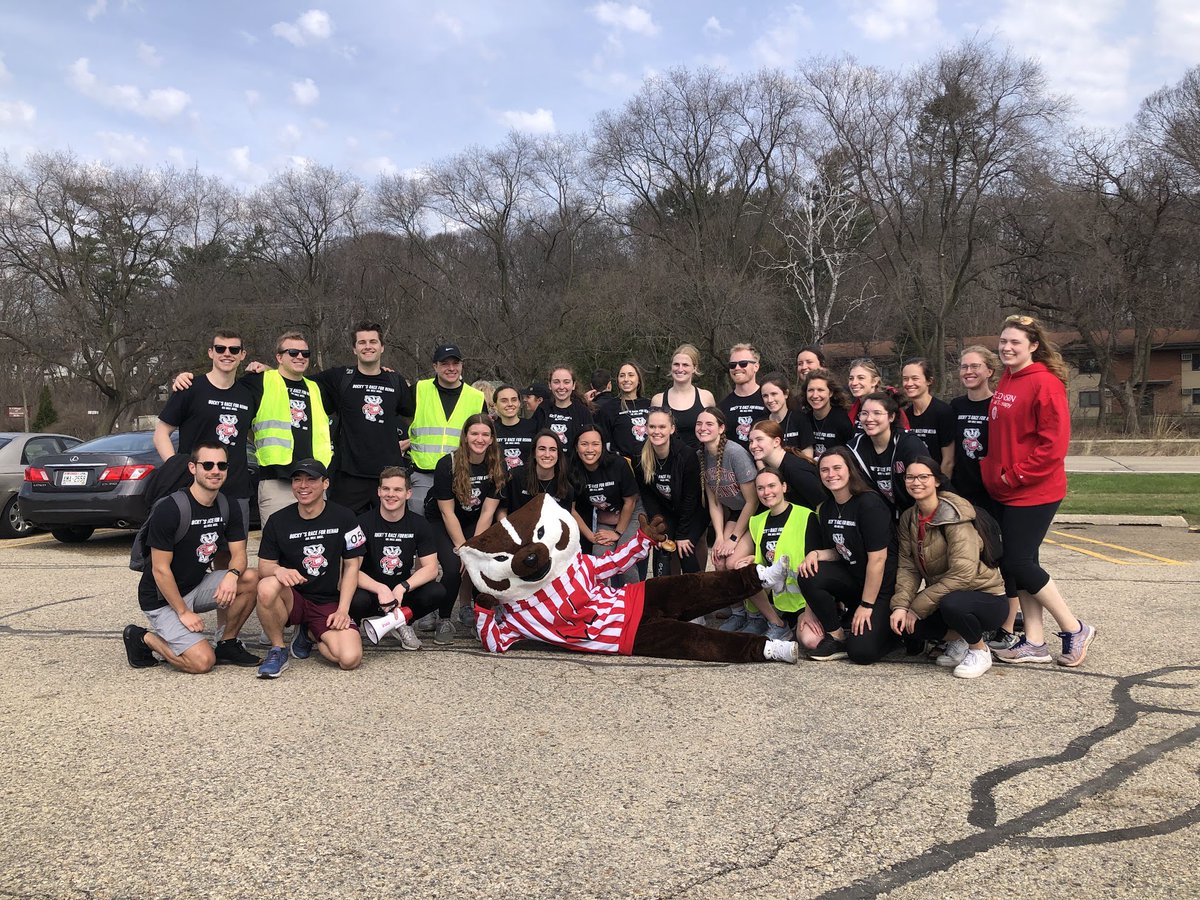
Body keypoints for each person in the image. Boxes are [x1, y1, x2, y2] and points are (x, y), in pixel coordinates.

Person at [983, 314, 1096, 667]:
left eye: (1015, 342)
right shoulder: (1007, 378)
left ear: (1033, 346)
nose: (1007, 347)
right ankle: (1034, 641)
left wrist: (1013, 476)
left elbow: (1053, 446)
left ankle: (1074, 627)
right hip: (1007, 488)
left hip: (1035, 489)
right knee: (1021, 565)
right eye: (1003, 341)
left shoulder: (1044, 384)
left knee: (1017, 561)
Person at [123, 443, 261, 673]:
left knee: (250, 578)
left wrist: (232, 575)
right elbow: (160, 570)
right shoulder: (171, 509)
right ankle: (143, 638)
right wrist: (184, 612)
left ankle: (227, 643)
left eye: (221, 465)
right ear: (192, 468)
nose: (215, 470)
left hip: (196, 586)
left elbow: (239, 554)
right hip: (162, 598)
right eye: (207, 465)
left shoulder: (228, 506)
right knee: (202, 662)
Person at [176, 329, 332, 528]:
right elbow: (221, 386)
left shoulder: (317, 388)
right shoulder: (258, 382)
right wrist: (184, 378)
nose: (300, 357)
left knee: (316, 545)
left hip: (315, 481)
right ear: (279, 357)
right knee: (280, 547)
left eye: (305, 353)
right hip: (276, 482)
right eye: (292, 353)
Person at [888, 457, 1008, 679]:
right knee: (907, 625)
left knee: (952, 603)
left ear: (936, 481)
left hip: (986, 598)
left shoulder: (954, 515)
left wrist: (917, 607)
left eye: (924, 477)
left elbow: (963, 574)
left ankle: (979, 650)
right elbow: (908, 568)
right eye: (910, 477)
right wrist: (901, 607)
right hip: (947, 594)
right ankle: (962, 640)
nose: (916, 482)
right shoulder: (909, 518)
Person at [254, 458, 367, 678]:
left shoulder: (345, 516)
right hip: (292, 597)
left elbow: (352, 566)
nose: (303, 486)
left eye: (311, 480)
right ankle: (278, 649)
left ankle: (311, 633)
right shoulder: (278, 520)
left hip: (326, 601)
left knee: (349, 659)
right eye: (297, 480)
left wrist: (343, 610)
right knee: (267, 586)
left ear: (325, 483)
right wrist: (279, 571)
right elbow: (264, 566)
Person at [796, 447, 898, 664]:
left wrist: (867, 605)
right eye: (824, 470)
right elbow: (841, 550)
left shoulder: (869, 504)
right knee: (808, 573)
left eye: (836, 468)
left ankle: (896, 634)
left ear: (850, 470)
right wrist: (816, 554)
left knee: (861, 652)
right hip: (853, 580)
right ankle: (836, 636)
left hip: (880, 589)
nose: (831, 474)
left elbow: (878, 559)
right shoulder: (827, 508)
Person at [154, 329, 256, 528]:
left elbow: (284, 373)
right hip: (195, 489)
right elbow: (161, 434)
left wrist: (265, 367)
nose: (227, 353)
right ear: (211, 352)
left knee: (234, 555)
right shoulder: (189, 387)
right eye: (221, 348)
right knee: (191, 554)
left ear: (242, 355)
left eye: (234, 349)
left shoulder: (248, 393)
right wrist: (179, 467)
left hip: (236, 490)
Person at [312, 322, 415, 514]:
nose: (368, 346)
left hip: (388, 477)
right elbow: (299, 381)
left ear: (382, 347)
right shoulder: (340, 377)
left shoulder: (395, 381)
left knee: (389, 534)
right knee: (343, 533)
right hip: (349, 476)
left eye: (373, 341)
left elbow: (410, 412)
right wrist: (268, 370)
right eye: (362, 342)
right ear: (354, 348)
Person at [425, 413, 506, 643]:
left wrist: (474, 548)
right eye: (474, 433)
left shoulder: (497, 465)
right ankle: (443, 618)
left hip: (474, 519)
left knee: (481, 563)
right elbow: (446, 512)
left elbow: (488, 512)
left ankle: (482, 616)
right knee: (453, 568)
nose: (479, 439)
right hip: (442, 520)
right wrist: (462, 548)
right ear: (465, 436)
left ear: (492, 439)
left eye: (485, 434)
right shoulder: (447, 463)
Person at [349, 467, 445, 651]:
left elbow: (431, 568)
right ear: (378, 491)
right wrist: (380, 588)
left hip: (401, 594)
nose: (390, 494)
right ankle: (355, 627)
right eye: (386, 489)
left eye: (397, 490)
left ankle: (402, 622)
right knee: (355, 599)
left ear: (408, 493)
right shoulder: (362, 523)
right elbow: (351, 569)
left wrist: (403, 587)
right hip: (370, 592)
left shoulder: (419, 524)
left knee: (437, 591)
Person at [728, 467, 814, 641]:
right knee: (744, 569)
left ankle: (798, 620)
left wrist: (811, 610)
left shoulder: (806, 516)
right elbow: (765, 556)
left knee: (810, 641)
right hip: (773, 593)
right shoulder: (757, 521)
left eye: (771, 486)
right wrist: (753, 559)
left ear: (784, 487)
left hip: (801, 598)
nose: (766, 492)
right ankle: (776, 623)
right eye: (760, 488)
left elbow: (816, 566)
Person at [697, 406, 760, 625]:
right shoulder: (702, 455)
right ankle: (737, 612)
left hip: (755, 515)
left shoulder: (735, 453)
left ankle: (755, 614)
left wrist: (733, 539)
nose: (703, 428)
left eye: (709, 424)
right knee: (719, 560)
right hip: (734, 512)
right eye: (699, 423)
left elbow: (752, 501)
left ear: (721, 428)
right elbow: (714, 503)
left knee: (733, 562)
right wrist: (720, 538)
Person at [408, 343, 486, 515]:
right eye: (445, 364)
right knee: (420, 524)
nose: (451, 368)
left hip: (461, 474)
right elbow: (394, 415)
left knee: (456, 525)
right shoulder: (419, 390)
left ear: (461, 365)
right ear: (435, 366)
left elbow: (486, 437)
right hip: (424, 475)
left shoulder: (477, 397)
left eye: (455, 363)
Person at [634, 408, 705, 577]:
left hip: (694, 512)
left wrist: (681, 534)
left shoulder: (686, 455)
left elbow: (691, 498)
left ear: (672, 429)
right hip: (667, 511)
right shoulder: (640, 457)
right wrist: (657, 527)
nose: (656, 431)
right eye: (652, 427)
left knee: (684, 550)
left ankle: (697, 597)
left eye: (662, 427)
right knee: (661, 548)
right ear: (646, 428)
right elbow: (648, 496)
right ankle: (664, 596)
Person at [571, 426, 640, 584]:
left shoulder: (617, 464)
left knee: (624, 557)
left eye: (595, 444)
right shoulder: (572, 470)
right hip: (606, 517)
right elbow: (571, 509)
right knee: (599, 560)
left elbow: (630, 501)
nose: (590, 449)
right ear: (576, 447)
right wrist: (591, 536)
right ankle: (603, 602)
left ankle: (636, 602)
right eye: (584, 444)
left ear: (603, 446)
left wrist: (617, 532)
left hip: (631, 513)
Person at [846, 391, 929, 517]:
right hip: (881, 516)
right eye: (864, 413)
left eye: (877, 413)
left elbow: (928, 482)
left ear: (891, 417)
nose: (869, 419)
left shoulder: (908, 443)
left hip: (916, 513)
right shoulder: (854, 448)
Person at [650, 343, 716, 452]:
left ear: (694, 368)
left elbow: (715, 432)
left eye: (685, 365)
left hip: (701, 461)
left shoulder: (706, 397)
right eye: (676, 364)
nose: (680, 369)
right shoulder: (658, 400)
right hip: (669, 462)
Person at [747, 420, 824, 510]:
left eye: (759, 439)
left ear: (776, 442)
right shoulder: (774, 466)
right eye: (751, 441)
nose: (753, 446)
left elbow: (821, 503)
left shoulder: (794, 468)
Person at [900, 358, 955, 477]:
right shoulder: (905, 416)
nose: (909, 384)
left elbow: (948, 461)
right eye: (905, 379)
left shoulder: (943, 412)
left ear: (929, 381)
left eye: (915, 378)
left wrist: (940, 489)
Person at [505, 430, 576, 514]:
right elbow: (502, 510)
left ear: (558, 455)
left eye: (552, 450)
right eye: (542, 449)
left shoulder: (566, 488)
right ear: (534, 453)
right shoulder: (515, 477)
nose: (547, 454)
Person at [533, 365, 595, 454]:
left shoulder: (582, 411)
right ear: (550, 385)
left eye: (566, 382)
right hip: (548, 464)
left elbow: (590, 441)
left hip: (574, 466)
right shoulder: (542, 409)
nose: (561, 387)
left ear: (573, 385)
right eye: (556, 382)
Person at [596, 361, 651, 460]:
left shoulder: (649, 404)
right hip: (623, 465)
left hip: (649, 462)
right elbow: (604, 442)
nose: (626, 379)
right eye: (622, 376)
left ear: (638, 379)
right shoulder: (608, 408)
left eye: (631, 375)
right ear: (617, 380)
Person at [718, 343, 768, 452]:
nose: (737, 368)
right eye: (732, 365)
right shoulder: (723, 406)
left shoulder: (768, 399)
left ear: (756, 366)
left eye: (743, 364)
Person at [803, 369, 855, 458]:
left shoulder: (842, 421)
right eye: (811, 390)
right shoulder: (804, 419)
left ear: (830, 393)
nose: (815, 395)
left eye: (820, 390)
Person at [846, 358, 910, 431]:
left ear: (874, 381)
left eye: (861, 378)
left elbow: (903, 436)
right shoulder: (852, 410)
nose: (854, 383)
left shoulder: (890, 406)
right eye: (851, 378)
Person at [760, 372, 814, 455]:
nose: (770, 400)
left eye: (774, 394)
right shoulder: (760, 424)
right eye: (765, 396)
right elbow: (758, 457)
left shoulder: (800, 420)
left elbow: (808, 453)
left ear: (786, 394)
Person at [493, 384, 538, 472]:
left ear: (519, 403)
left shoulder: (533, 427)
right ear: (495, 405)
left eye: (514, 400)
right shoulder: (490, 430)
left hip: (528, 482)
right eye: (504, 401)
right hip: (499, 482)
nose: (510, 404)